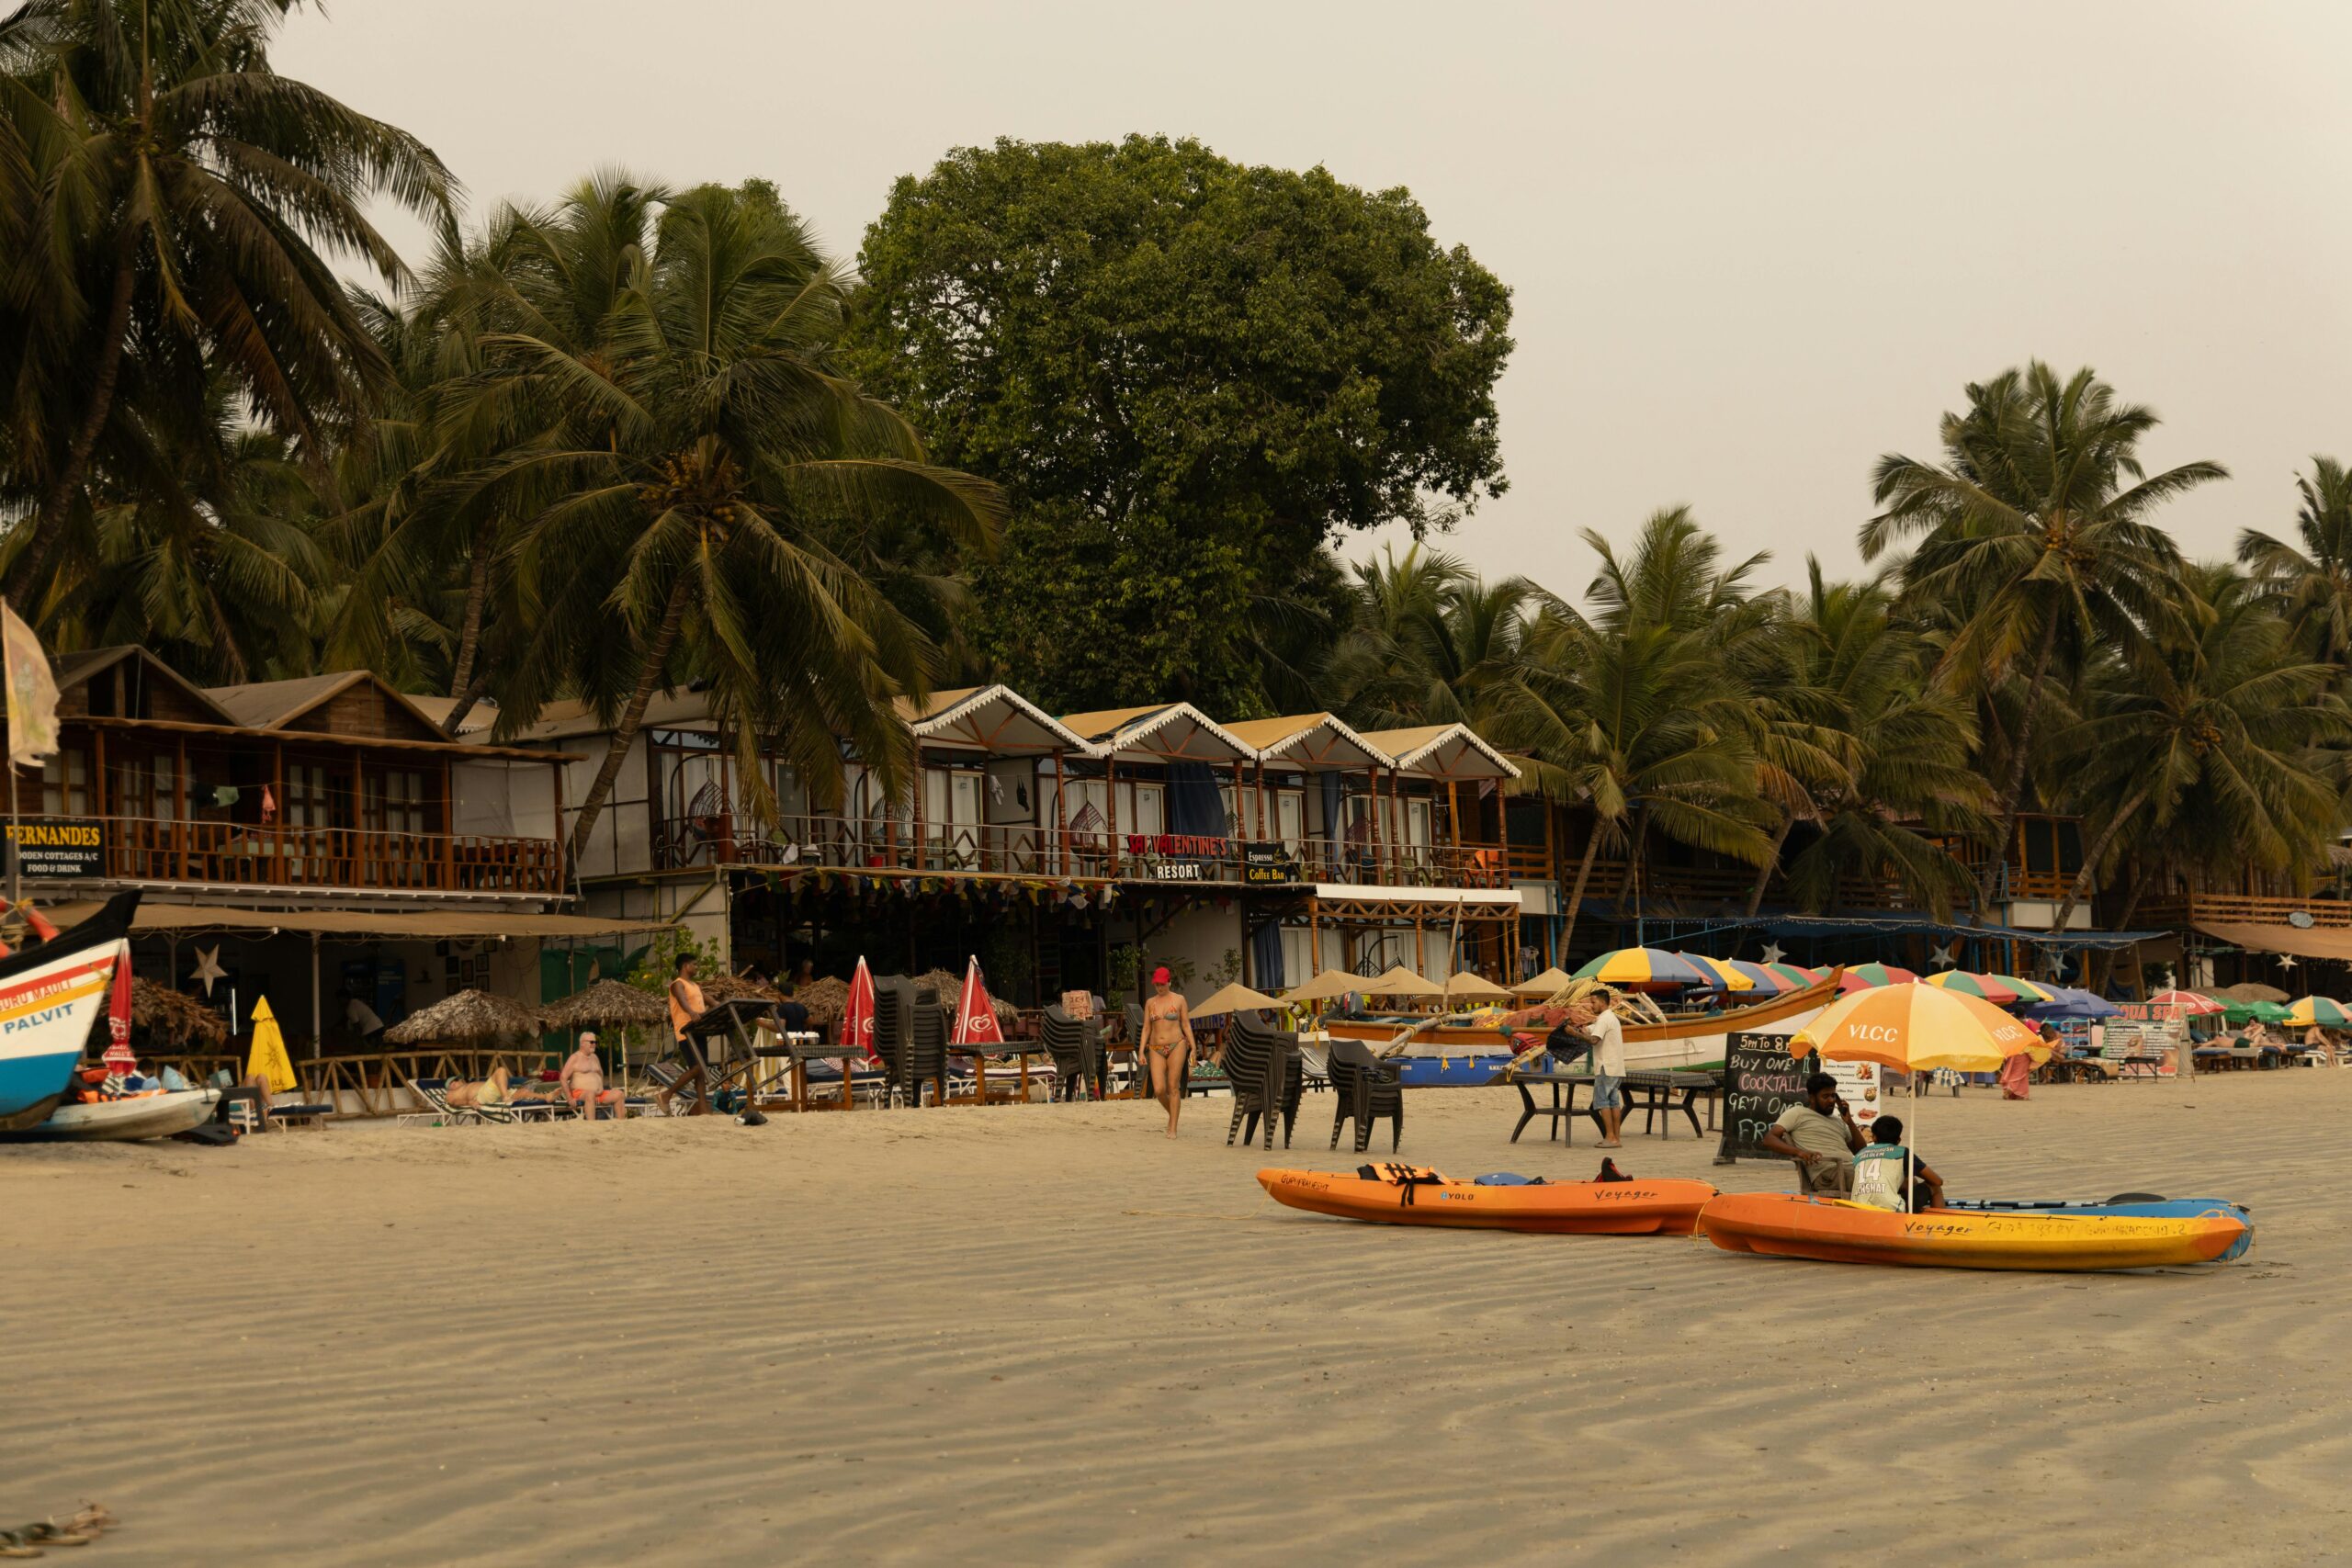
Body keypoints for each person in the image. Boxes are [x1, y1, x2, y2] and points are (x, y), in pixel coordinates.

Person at [1760, 1072, 1864, 1195]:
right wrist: (1799, 1152)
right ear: (1812, 1098)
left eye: (1833, 1096)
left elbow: (1861, 1151)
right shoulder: (1798, 1113)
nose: (1831, 1100)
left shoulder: (1839, 1121)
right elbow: (1769, 1139)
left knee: (1882, 1176)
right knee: (1869, 1182)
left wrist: (1850, 1122)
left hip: (1850, 1169)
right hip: (1828, 1174)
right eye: (1825, 1096)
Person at [1139, 965, 1196, 1138]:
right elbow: (1146, 1028)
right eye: (1157, 985)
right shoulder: (1150, 1002)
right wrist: (1141, 1051)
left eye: (1162, 984)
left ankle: (1173, 1127)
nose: (1160, 988)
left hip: (1176, 1044)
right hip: (1155, 1048)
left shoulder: (1179, 1000)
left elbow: (1185, 1024)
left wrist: (1193, 1046)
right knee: (1158, 1089)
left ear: (1169, 982)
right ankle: (1173, 1114)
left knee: (1173, 1086)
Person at [1850, 1115, 1945, 1212]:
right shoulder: (1902, 1152)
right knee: (1935, 1187)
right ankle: (1940, 1223)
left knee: (1910, 1182)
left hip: (1858, 1207)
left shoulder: (1860, 1154)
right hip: (1891, 1209)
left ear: (1874, 1137)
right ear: (1898, 1140)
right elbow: (1937, 1181)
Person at [668, 953, 711, 1115]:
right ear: (685, 966)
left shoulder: (696, 985)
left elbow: (710, 1001)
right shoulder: (677, 984)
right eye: (695, 964)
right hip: (686, 1032)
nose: (697, 967)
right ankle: (667, 1094)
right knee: (698, 1067)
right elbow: (682, 1000)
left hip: (699, 1030)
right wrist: (691, 1012)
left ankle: (702, 1109)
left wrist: (723, 1004)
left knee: (701, 1070)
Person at [1584, 987, 1627, 1148]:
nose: (1591, 1005)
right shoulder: (1610, 1018)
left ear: (1602, 1002)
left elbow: (1594, 1039)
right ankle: (1616, 1137)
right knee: (1613, 1102)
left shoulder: (1604, 1019)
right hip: (1616, 1067)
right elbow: (1591, 1030)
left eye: (1593, 1002)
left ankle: (1610, 1137)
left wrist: (1574, 1034)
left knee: (1602, 1101)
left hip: (1605, 1066)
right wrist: (1581, 1029)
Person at [560, 1031, 623, 1123]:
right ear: (582, 1043)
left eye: (595, 1042)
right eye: (591, 1042)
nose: (594, 1044)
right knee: (590, 1094)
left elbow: (600, 1074)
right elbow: (563, 1078)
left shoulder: (595, 1057)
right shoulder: (575, 1058)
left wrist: (598, 1090)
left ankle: (622, 1125)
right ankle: (591, 1126)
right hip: (580, 1093)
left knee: (619, 1094)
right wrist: (569, 1098)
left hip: (597, 1094)